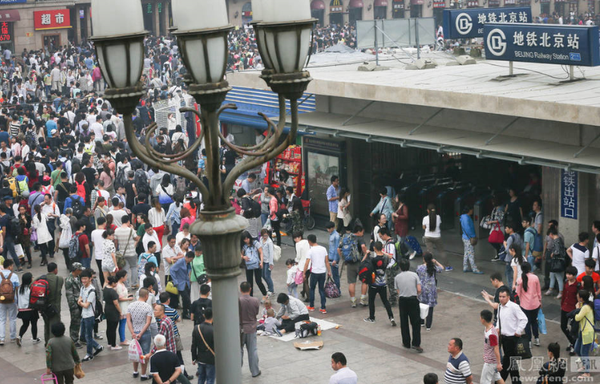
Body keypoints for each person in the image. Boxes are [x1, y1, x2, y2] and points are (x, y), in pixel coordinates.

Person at [497, 286, 527, 384]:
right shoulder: (499, 307)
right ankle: (516, 381)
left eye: (503, 296)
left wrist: (518, 331)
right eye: (500, 296)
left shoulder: (514, 307)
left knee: (506, 363)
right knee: (512, 362)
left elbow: (524, 319)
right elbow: (499, 320)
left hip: (512, 339)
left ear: (508, 297)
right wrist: (498, 328)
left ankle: (500, 381)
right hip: (504, 339)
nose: (501, 298)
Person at [364, 241, 396, 326]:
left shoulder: (372, 259)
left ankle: (372, 317)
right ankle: (391, 317)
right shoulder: (386, 258)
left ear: (374, 248)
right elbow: (389, 258)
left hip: (374, 283)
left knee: (371, 300)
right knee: (385, 301)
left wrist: (366, 254)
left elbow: (363, 263)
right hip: (383, 283)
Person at [395, 258, 423, 353]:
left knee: (404, 321)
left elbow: (397, 291)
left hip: (403, 300)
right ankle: (416, 343)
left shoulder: (397, 277)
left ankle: (406, 342)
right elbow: (419, 289)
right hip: (413, 299)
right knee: (415, 322)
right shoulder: (414, 275)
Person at [338, 225, 369, 308]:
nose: (362, 233)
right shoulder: (359, 238)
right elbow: (363, 247)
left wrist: (344, 258)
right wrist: (366, 254)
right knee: (364, 281)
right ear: (359, 232)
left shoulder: (347, 237)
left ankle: (353, 301)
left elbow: (339, 249)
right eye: (362, 232)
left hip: (350, 263)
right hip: (360, 263)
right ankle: (363, 299)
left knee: (351, 282)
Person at [127, 288, 153, 381]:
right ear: (146, 296)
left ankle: (135, 371)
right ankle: (143, 374)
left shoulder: (130, 306)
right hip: (145, 333)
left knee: (135, 352)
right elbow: (148, 322)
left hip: (134, 332)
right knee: (145, 354)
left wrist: (133, 332)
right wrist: (141, 333)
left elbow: (128, 320)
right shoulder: (148, 307)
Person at [78, 269, 103, 362]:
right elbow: (80, 298)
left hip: (90, 316)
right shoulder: (82, 288)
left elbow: (86, 305)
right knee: (84, 336)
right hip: (83, 315)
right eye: (82, 279)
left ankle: (89, 354)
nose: (83, 280)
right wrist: (81, 302)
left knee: (88, 336)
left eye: (85, 279)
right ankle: (98, 346)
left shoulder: (92, 291)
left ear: (90, 278)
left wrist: (80, 302)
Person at [305, 234, 332, 314]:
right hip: (322, 272)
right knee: (321, 289)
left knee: (312, 289)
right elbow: (326, 261)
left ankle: (311, 306)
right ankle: (323, 307)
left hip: (314, 272)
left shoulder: (310, 251)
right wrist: (329, 271)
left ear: (309, 241)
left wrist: (303, 273)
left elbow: (307, 263)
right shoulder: (323, 249)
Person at [516, 262, 542, 346]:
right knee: (534, 321)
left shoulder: (520, 280)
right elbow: (538, 291)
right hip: (535, 304)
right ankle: (537, 339)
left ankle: (529, 341)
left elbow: (517, 293)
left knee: (526, 323)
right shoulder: (535, 278)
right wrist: (539, 300)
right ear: (530, 268)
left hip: (524, 305)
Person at [416, 253, 443, 330]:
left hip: (422, 289)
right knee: (430, 307)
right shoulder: (433, 267)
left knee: (421, 305)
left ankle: (421, 322)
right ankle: (428, 325)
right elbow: (442, 268)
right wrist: (435, 262)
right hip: (431, 289)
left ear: (424, 259)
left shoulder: (420, 267)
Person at [239, 281, 261, 378]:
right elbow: (256, 312)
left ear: (240, 289)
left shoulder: (238, 300)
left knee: (239, 351)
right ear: (250, 289)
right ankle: (255, 371)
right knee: (252, 350)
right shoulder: (255, 300)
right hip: (251, 327)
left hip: (240, 328)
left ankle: (236, 371)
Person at [241, 231, 268, 300]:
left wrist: (261, 262)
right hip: (248, 265)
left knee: (258, 281)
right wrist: (244, 257)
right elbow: (240, 254)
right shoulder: (244, 246)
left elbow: (261, 252)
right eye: (245, 239)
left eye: (247, 238)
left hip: (257, 264)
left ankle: (265, 294)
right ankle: (250, 297)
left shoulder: (256, 243)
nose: (246, 240)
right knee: (249, 282)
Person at [479, 310, 504, 384]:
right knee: (497, 378)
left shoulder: (491, 334)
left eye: (480, 318)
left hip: (490, 362)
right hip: (491, 359)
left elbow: (496, 348)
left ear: (483, 320)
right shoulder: (488, 329)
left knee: (484, 381)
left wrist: (499, 363)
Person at [191, 307, 215, 384]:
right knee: (210, 379)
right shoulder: (213, 330)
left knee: (201, 378)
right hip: (211, 358)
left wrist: (194, 357)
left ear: (204, 316)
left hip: (200, 358)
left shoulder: (196, 328)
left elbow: (193, 345)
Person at [574, 289, 594, 379]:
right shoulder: (585, 305)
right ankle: (585, 366)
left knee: (584, 352)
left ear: (581, 298)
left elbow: (577, 318)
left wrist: (577, 309)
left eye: (578, 296)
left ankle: (587, 373)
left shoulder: (585, 307)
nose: (577, 297)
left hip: (587, 332)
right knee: (577, 349)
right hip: (582, 331)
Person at [16, 272, 41, 346]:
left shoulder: (20, 288)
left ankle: (20, 336)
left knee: (25, 324)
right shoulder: (31, 288)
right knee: (34, 324)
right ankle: (34, 338)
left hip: (22, 309)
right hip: (31, 309)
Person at [43, 262, 64, 346]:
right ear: (55, 269)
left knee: (46, 324)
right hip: (54, 307)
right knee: (54, 324)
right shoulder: (59, 279)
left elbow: (31, 285)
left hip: (44, 306)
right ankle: (52, 344)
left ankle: (47, 342)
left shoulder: (42, 278)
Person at [422, 203, 448, 269]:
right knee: (442, 251)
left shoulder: (425, 218)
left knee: (430, 252)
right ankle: (447, 266)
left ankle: (430, 266)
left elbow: (424, 227)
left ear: (428, 210)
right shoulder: (438, 217)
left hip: (428, 237)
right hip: (437, 237)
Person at [0, 259, 19, 345]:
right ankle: (12, 337)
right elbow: (17, 289)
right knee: (12, 318)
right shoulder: (14, 275)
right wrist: (17, 300)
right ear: (10, 266)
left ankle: (2, 338)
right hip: (12, 300)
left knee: (2, 319)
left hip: (1, 300)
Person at [170, 252, 194, 319]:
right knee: (186, 299)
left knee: (185, 299)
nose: (191, 261)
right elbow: (172, 269)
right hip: (180, 283)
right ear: (187, 257)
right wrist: (175, 281)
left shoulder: (188, 263)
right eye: (191, 259)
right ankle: (190, 312)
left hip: (187, 283)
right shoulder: (181, 262)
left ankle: (185, 313)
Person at [64, 262, 83, 348]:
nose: (80, 271)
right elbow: (69, 295)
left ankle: (81, 338)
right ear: (76, 270)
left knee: (82, 321)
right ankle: (74, 340)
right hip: (75, 304)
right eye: (79, 270)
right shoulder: (69, 280)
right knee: (75, 322)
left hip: (81, 302)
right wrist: (73, 306)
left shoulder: (79, 278)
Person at [560, 266, 578, 353]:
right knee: (563, 326)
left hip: (573, 309)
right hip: (564, 307)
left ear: (574, 275)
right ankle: (572, 341)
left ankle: (573, 344)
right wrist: (562, 304)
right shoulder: (566, 283)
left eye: (570, 274)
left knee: (573, 328)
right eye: (567, 274)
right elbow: (564, 294)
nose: (568, 276)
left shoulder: (577, 285)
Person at [460, 206, 482, 274]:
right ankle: (474, 268)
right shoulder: (467, 218)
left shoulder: (463, 217)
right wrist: (473, 236)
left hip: (465, 237)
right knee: (471, 253)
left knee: (466, 252)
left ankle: (465, 267)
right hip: (469, 238)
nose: (472, 211)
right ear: (469, 210)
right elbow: (468, 229)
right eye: (471, 210)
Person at [103, 275, 122, 351]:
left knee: (109, 327)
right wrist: (120, 311)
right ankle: (114, 345)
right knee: (113, 328)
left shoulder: (105, 289)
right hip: (113, 311)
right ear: (113, 283)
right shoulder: (113, 292)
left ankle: (109, 342)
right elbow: (116, 303)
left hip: (107, 309)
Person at [546, 227, 566, 299]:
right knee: (552, 275)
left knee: (558, 277)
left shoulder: (556, 241)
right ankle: (550, 289)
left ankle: (561, 292)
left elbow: (557, 251)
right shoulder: (559, 239)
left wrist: (552, 253)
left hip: (557, 262)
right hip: (558, 261)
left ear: (551, 234)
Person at [326, 221, 341, 290]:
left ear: (333, 228)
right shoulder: (332, 235)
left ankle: (337, 290)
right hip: (331, 257)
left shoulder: (336, 236)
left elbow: (336, 249)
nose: (328, 230)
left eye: (329, 228)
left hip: (334, 258)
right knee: (334, 274)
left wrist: (335, 259)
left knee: (335, 275)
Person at [259, 228, 275, 295]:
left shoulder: (269, 242)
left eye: (266, 235)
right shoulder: (260, 239)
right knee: (262, 275)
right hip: (262, 260)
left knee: (267, 276)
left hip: (268, 261)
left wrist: (271, 263)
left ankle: (271, 289)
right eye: (264, 235)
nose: (265, 237)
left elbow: (271, 253)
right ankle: (269, 287)